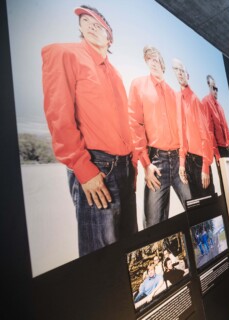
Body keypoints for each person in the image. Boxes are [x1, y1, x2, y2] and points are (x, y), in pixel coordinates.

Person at [41, 5, 137, 257]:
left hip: (125, 169)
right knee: (102, 256)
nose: (92, 24)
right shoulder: (63, 53)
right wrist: (83, 169)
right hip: (97, 168)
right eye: (86, 21)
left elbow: (123, 125)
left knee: (129, 250)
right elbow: (58, 117)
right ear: (80, 28)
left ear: (110, 36)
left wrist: (133, 167)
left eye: (99, 22)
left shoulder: (114, 73)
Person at [129, 46, 191, 227]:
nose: (153, 63)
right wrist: (146, 164)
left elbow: (183, 130)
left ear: (162, 64)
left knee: (196, 209)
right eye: (149, 59)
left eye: (156, 59)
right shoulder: (138, 85)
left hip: (179, 163)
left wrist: (183, 161)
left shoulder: (174, 94)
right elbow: (134, 125)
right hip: (157, 162)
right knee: (154, 223)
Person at [172, 58, 214, 198]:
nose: (179, 73)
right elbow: (181, 133)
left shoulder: (195, 100)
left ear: (187, 75)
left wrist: (205, 166)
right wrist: (182, 163)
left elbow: (206, 135)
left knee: (208, 205)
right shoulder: (177, 98)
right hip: (187, 161)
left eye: (182, 70)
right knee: (196, 207)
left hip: (199, 162)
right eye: (176, 70)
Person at [202, 75, 229, 162]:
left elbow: (227, 129)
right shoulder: (206, 102)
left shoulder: (220, 107)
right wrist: (217, 154)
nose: (216, 91)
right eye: (213, 88)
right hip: (219, 150)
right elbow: (210, 131)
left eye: (217, 89)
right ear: (208, 85)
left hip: (227, 149)